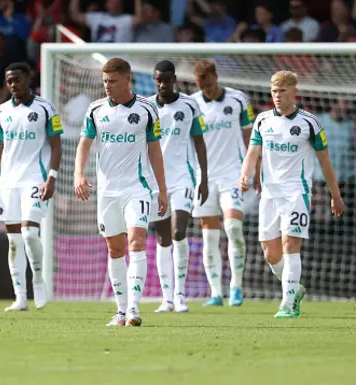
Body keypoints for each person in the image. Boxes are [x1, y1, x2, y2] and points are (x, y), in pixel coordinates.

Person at [239, 70, 345, 318]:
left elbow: (325, 161)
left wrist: (335, 194)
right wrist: (245, 175)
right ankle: (294, 288)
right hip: (269, 194)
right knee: (270, 252)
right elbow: (253, 152)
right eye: (274, 91)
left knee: (290, 244)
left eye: (282, 91)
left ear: (294, 92)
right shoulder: (263, 120)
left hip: (297, 193)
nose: (277, 96)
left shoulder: (310, 123)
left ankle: (287, 304)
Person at [74, 57, 168, 327]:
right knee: (115, 249)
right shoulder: (95, 110)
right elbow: (84, 145)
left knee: (136, 242)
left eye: (113, 81)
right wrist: (79, 174)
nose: (107, 86)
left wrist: (162, 190)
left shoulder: (148, 110)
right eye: (105, 81)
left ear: (127, 80)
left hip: (137, 188)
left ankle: (135, 310)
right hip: (107, 192)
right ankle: (120, 310)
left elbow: (155, 151)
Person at [0, 62, 62, 312]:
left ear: (28, 79)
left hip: (35, 178)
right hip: (8, 182)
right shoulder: (1, 111)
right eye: (9, 81)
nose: (13, 85)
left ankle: (38, 282)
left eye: (17, 80)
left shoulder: (46, 108)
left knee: (30, 234)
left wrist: (51, 177)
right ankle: (20, 298)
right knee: (13, 241)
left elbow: (56, 145)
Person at [191, 59, 256, 307]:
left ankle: (236, 287)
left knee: (233, 228)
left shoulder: (239, 99)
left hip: (232, 174)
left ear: (215, 76)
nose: (205, 89)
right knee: (209, 238)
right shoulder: (193, 103)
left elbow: (250, 135)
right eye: (200, 85)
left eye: (207, 83)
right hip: (203, 177)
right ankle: (216, 293)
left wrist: (255, 169)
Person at [149, 60, 208, 313]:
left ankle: (181, 294)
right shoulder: (146, 107)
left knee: (179, 232)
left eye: (167, 79)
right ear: (154, 80)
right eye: (158, 80)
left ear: (175, 79)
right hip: (154, 182)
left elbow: (200, 142)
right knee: (163, 239)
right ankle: (167, 299)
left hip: (183, 177)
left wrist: (204, 178)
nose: (163, 84)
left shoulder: (190, 105)